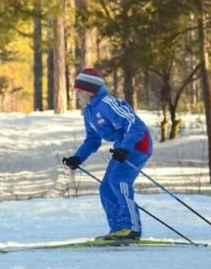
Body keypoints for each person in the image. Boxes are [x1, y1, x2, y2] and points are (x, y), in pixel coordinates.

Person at [62, 68, 152, 240]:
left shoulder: (107, 104)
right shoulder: (89, 112)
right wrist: (77, 158)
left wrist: (125, 147)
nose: (76, 94)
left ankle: (131, 228)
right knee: (105, 187)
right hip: (122, 146)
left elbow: (134, 124)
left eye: (79, 90)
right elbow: (92, 140)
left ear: (89, 90)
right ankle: (118, 229)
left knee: (118, 181)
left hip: (138, 144)